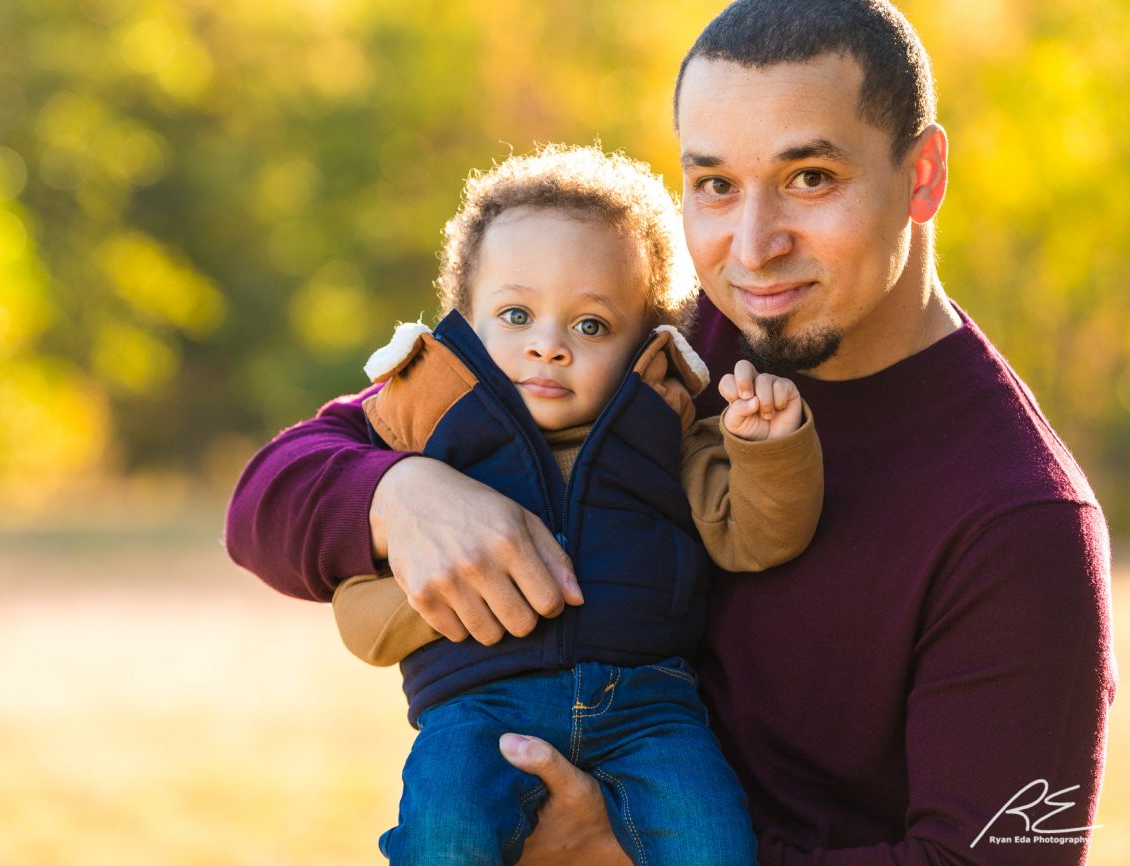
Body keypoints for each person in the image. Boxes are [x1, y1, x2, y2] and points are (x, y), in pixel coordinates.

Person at [225, 1, 1115, 863]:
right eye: (716, 185)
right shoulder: (644, 347)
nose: (754, 245)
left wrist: (623, 852)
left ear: (921, 176)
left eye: (811, 178)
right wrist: (395, 496)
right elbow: (268, 498)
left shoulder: (1020, 520)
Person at [338, 143, 823, 865]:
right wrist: (456, 589)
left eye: (590, 326)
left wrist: (767, 447)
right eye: (515, 315)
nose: (548, 347)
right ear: (465, 323)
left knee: (712, 842)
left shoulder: (667, 432)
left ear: (644, 343)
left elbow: (756, 535)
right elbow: (359, 615)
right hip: (479, 707)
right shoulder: (432, 444)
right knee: (446, 832)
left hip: (650, 710)